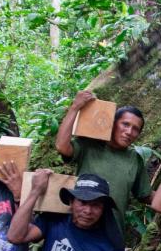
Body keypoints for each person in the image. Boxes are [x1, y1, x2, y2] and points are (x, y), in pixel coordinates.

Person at [55, 93, 152, 236]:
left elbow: (146, 196)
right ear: (113, 124)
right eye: (125, 124)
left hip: (112, 236)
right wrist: (75, 107)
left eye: (135, 129)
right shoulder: (89, 145)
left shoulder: (134, 159)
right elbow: (62, 146)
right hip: (79, 230)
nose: (129, 132)